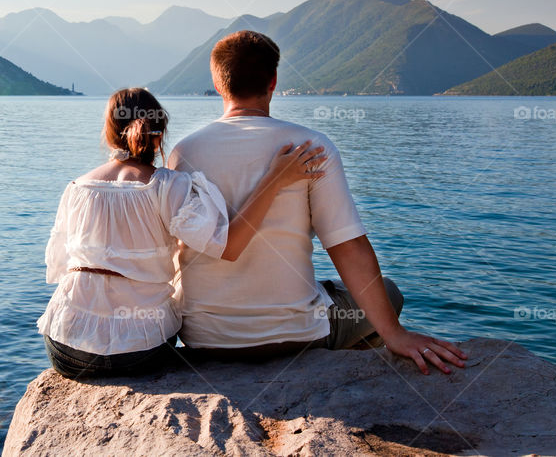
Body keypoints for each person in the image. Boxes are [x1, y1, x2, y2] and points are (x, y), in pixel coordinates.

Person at [169, 30, 468, 375]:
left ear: (218, 84)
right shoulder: (310, 146)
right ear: (273, 81)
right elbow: (348, 247)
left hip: (205, 339)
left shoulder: (184, 152)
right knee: (390, 293)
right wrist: (395, 334)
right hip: (295, 336)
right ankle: (345, 371)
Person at [37, 87, 326, 379]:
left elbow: (60, 266)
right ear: (159, 134)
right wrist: (275, 179)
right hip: (140, 352)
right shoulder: (167, 186)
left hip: (67, 348)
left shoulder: (76, 188)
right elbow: (229, 246)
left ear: (110, 133)